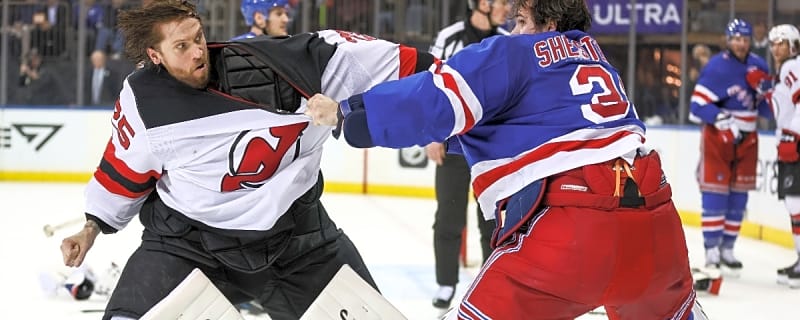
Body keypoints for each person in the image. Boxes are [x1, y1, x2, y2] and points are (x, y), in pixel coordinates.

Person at [305, 0, 706, 318]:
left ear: (547, 23)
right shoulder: (600, 62)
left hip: (573, 232)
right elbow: (532, 127)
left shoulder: (514, 52)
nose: (513, 30)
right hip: (659, 234)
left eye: (520, 20)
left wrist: (348, 113)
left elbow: (432, 101)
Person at [58, 1, 436, 319]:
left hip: (300, 243)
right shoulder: (143, 102)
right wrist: (90, 229)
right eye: (181, 47)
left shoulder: (300, 66)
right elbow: (125, 169)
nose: (197, 52)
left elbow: (414, 70)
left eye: (199, 38)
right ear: (155, 56)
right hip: (188, 245)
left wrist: (456, 94)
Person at [425, 0, 510, 310]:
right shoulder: (450, 37)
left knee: (491, 220)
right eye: (503, 2)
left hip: (490, 148)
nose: (508, 7)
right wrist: (433, 133)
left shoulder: (506, 41)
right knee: (448, 217)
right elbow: (430, 85)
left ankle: (488, 282)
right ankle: (446, 283)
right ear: (483, 3)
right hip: (454, 145)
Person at [689, 18, 772, 274]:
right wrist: (721, 118)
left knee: (738, 197)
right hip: (718, 138)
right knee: (715, 194)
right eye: (736, 39)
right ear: (728, 40)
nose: (741, 44)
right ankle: (711, 251)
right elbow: (696, 106)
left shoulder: (759, 65)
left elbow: (768, 112)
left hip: (748, 140)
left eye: (745, 39)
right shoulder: (716, 67)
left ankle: (728, 249)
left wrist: (766, 91)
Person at [767, 24, 800, 288]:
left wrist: (793, 136)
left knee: (795, 204)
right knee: (794, 205)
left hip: (795, 145)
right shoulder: (784, 70)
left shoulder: (792, 67)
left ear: (793, 45)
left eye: (782, 42)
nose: (777, 47)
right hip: (791, 143)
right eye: (774, 42)